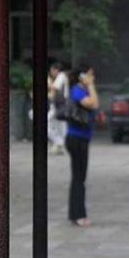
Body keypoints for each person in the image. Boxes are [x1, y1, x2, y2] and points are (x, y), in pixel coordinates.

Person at [65, 64, 99, 227]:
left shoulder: (83, 90)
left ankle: (76, 213)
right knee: (79, 178)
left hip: (82, 138)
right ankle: (79, 215)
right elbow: (93, 104)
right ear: (82, 77)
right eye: (90, 75)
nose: (93, 79)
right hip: (76, 139)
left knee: (79, 177)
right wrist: (91, 86)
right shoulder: (77, 91)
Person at [48, 61, 69, 155]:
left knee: (59, 126)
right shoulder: (61, 77)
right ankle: (59, 146)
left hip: (61, 106)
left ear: (56, 70)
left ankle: (59, 143)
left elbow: (54, 88)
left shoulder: (61, 76)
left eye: (51, 70)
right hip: (60, 105)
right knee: (61, 127)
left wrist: (48, 82)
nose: (51, 73)